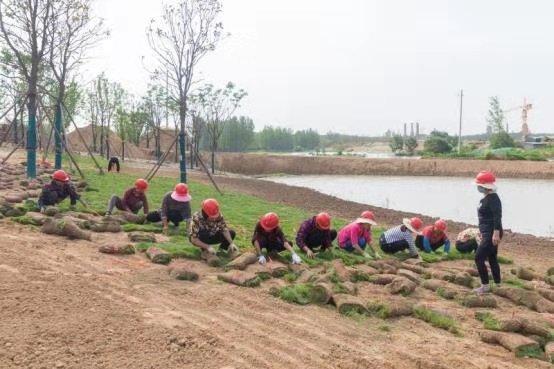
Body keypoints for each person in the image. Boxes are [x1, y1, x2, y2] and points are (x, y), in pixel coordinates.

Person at [473, 171, 503, 294]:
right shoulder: (486, 198)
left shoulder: (494, 199)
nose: (477, 187)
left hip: (492, 232)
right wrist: (481, 231)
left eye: (479, 185)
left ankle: (485, 286)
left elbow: (497, 217)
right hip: (486, 232)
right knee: (492, 258)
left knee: (479, 257)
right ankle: (497, 283)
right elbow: (484, 218)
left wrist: (495, 234)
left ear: (485, 186)